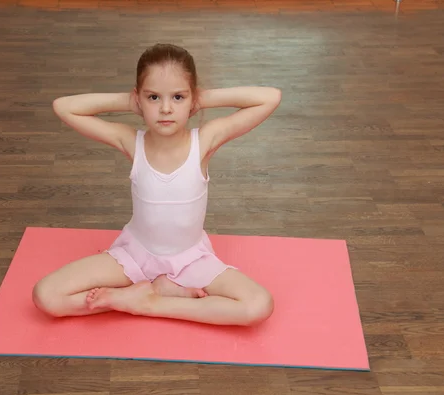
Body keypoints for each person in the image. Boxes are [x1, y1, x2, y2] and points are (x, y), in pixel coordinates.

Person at [32, 43, 282, 326]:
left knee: (258, 305)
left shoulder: (205, 142)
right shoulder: (131, 142)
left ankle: (152, 302)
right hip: (134, 257)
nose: (165, 109)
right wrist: (131, 101)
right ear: (139, 98)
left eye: (178, 97)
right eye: (153, 98)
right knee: (47, 295)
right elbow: (64, 107)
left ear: (192, 99)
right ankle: (151, 293)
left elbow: (270, 98)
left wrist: (199, 98)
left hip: (190, 261)